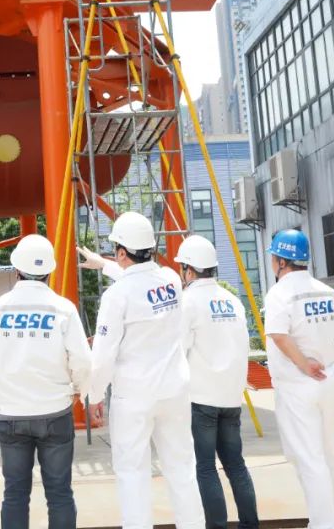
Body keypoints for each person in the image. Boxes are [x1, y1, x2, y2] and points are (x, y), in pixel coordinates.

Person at [81, 212, 205, 529]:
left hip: (134, 398)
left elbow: (103, 355)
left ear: (122, 252)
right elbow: (140, 281)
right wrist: (103, 264)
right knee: (182, 469)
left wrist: (94, 395)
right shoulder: (172, 280)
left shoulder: (116, 297)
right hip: (174, 393)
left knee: (132, 474)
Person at [0, 233, 92, 529]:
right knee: (60, 493)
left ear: (16, 269)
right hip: (55, 413)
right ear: (49, 270)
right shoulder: (63, 308)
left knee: (15, 494)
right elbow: (82, 360)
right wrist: (80, 390)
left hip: (12, 414)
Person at [176, 235, 259, 529]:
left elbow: (179, 351)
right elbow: (243, 345)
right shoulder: (232, 301)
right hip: (231, 397)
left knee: (205, 468)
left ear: (188, 270)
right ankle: (250, 525)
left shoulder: (188, 302)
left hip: (201, 399)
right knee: (236, 465)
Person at [264, 229, 334, 529]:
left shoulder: (279, 293)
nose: (273, 262)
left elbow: (278, 335)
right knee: (326, 452)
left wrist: (304, 364)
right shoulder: (327, 292)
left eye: (274, 257)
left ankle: (323, 524)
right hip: (328, 382)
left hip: (298, 385)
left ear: (282, 261)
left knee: (308, 458)